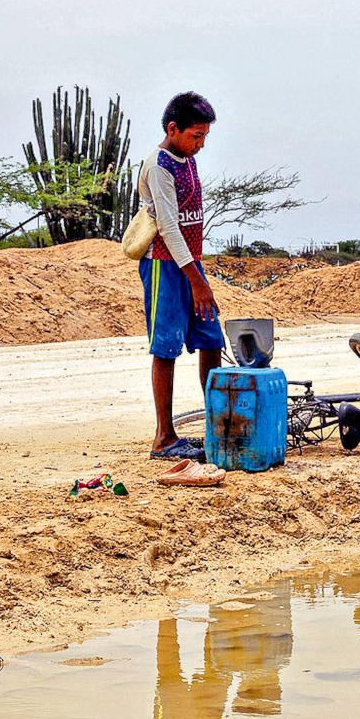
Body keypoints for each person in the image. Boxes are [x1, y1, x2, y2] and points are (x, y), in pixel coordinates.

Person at [139, 92, 223, 461]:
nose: (201, 144)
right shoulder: (158, 167)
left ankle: (217, 425)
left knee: (211, 340)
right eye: (195, 136)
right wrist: (197, 280)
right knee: (166, 346)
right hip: (164, 264)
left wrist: (197, 272)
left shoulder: (186, 158)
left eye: (205, 137)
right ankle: (164, 437)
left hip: (190, 263)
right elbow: (169, 228)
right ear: (173, 129)